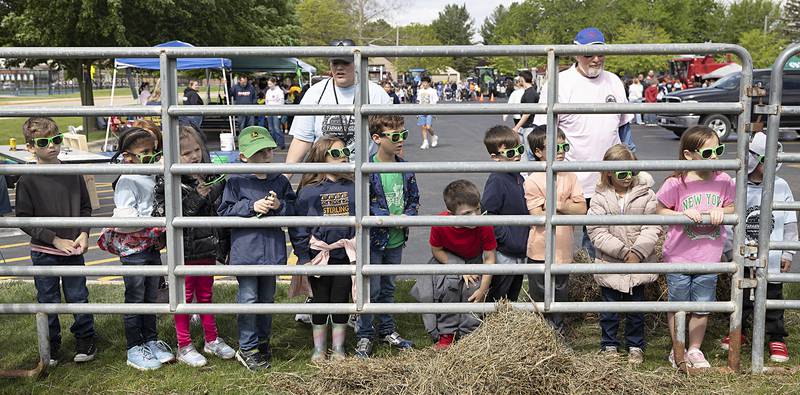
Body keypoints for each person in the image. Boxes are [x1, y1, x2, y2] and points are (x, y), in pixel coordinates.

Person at [532, 27, 633, 259]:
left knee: (601, 238)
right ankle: (561, 287)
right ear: (576, 54)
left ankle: (593, 285)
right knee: (560, 241)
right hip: (569, 177)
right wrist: (538, 175)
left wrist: (631, 168)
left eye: (600, 53)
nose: (596, 59)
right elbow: (542, 132)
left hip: (607, 178)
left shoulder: (614, 81)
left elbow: (625, 129)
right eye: (589, 54)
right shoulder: (561, 83)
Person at [152, 126, 235, 367]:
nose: (194, 155)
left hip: (207, 248)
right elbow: (171, 215)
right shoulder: (169, 179)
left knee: (206, 295)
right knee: (184, 298)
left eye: (197, 149)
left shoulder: (206, 174)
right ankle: (184, 345)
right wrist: (199, 195)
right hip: (183, 250)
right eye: (187, 153)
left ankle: (211, 339)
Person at [16, 117, 96, 366]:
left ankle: (85, 338)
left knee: (78, 295)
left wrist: (83, 233)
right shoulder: (27, 180)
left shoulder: (72, 173)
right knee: (47, 298)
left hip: (73, 249)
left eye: (56, 139)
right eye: (43, 142)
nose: (52, 146)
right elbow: (24, 219)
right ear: (30, 147)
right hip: (44, 251)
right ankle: (51, 344)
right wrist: (55, 239)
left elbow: (85, 207)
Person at [656, 125, 735, 369]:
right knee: (678, 305)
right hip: (679, 255)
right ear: (689, 155)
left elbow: (732, 207)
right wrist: (680, 213)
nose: (715, 157)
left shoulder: (723, 180)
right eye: (708, 152)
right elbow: (660, 210)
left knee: (702, 305)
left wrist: (721, 210)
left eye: (718, 150)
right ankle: (677, 348)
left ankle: (695, 349)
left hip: (709, 256)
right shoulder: (675, 183)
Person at [217, 126, 295, 371]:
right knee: (249, 299)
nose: (265, 155)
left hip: (272, 252)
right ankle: (248, 347)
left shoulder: (280, 180)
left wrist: (279, 205)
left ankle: (263, 342)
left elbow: (294, 209)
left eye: (268, 150)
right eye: (258, 152)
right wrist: (251, 206)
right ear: (243, 156)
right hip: (246, 253)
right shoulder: (236, 181)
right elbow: (223, 211)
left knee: (266, 300)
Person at [720, 132, 796, 363]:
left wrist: (788, 251)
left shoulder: (780, 186)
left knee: (772, 296)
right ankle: (738, 331)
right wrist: (728, 250)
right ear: (753, 159)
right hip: (742, 254)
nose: (771, 165)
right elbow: (727, 222)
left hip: (770, 256)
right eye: (766, 160)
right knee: (741, 296)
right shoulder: (736, 185)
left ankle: (776, 337)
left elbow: (790, 219)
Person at [587, 144, 661, 365]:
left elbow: (653, 227)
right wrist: (620, 251)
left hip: (638, 262)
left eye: (632, 171)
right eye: (622, 173)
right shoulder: (599, 197)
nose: (628, 177)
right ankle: (609, 344)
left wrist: (638, 252)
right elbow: (596, 230)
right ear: (609, 172)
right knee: (609, 309)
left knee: (635, 310)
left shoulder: (646, 194)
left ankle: (635, 345)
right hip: (610, 261)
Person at [109, 127, 174, 370]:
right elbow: (126, 219)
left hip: (151, 246)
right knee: (135, 296)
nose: (152, 156)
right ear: (128, 156)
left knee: (151, 295)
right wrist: (153, 225)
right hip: (133, 250)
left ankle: (150, 340)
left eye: (153, 151)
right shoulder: (127, 180)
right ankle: (134, 347)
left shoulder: (152, 174)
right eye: (144, 152)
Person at [354, 115, 419, 358]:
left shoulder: (405, 167)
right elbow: (364, 203)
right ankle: (364, 334)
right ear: (377, 138)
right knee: (371, 287)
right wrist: (387, 217)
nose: (401, 140)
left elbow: (414, 198)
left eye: (404, 134)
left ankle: (387, 329)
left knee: (389, 286)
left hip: (396, 239)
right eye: (395, 136)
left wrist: (407, 215)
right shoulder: (367, 169)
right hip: (374, 239)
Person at [291, 136, 357, 362]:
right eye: (336, 154)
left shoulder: (354, 186)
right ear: (321, 158)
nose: (344, 157)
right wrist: (302, 256)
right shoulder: (309, 191)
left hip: (344, 254)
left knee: (340, 301)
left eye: (346, 152)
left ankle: (338, 347)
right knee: (319, 302)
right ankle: (319, 348)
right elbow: (299, 226)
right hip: (318, 255)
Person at [287, 39, 392, 165]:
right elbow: (302, 140)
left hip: (365, 175)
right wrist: (286, 177)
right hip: (326, 176)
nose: (339, 67)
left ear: (357, 62)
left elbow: (391, 139)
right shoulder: (314, 93)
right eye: (335, 62)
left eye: (345, 63)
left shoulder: (377, 93)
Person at [524, 126, 586, 334]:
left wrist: (557, 204)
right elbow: (538, 216)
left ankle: (558, 334)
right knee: (541, 297)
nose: (561, 150)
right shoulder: (533, 180)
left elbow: (581, 210)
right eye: (555, 146)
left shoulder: (570, 176)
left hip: (563, 250)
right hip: (539, 250)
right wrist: (566, 203)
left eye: (564, 145)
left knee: (560, 294)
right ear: (538, 152)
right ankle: (541, 334)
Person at [425, 180, 497, 350]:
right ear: (451, 213)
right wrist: (458, 267)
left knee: (473, 289)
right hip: (449, 259)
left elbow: (489, 258)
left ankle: (469, 335)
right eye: (467, 213)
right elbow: (436, 251)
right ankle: (446, 334)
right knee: (448, 286)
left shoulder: (483, 224)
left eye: (477, 209)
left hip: (474, 261)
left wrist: (483, 289)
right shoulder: (440, 223)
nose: (475, 217)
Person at [481, 125, 528, 301]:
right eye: (510, 153)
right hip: (504, 252)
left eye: (520, 149)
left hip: (519, 249)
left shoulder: (518, 177)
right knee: (499, 296)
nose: (516, 155)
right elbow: (488, 213)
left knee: (513, 295)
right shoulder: (497, 179)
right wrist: (506, 238)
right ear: (496, 157)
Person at [511, 70, 540, 158]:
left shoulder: (529, 94)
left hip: (529, 127)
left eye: (519, 79)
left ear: (522, 79)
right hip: (527, 126)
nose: (518, 81)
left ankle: (530, 171)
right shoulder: (530, 92)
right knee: (524, 153)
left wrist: (516, 127)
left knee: (529, 154)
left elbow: (527, 113)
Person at [417, 76, 439, 150]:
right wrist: (417, 112)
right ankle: (425, 141)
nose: (424, 84)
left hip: (430, 110)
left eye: (426, 82)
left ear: (429, 83)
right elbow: (419, 101)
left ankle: (434, 136)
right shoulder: (420, 91)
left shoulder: (433, 91)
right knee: (423, 127)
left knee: (428, 127)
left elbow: (435, 101)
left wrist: (435, 112)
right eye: (423, 82)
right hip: (421, 110)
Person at [265, 77, 286, 149]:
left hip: (277, 112)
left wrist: (280, 113)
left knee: (277, 129)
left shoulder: (279, 91)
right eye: (268, 84)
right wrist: (266, 113)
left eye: (270, 84)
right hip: (269, 112)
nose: (269, 85)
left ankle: (281, 144)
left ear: (274, 83)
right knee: (271, 129)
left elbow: (281, 102)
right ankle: (272, 144)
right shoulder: (268, 91)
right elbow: (266, 102)